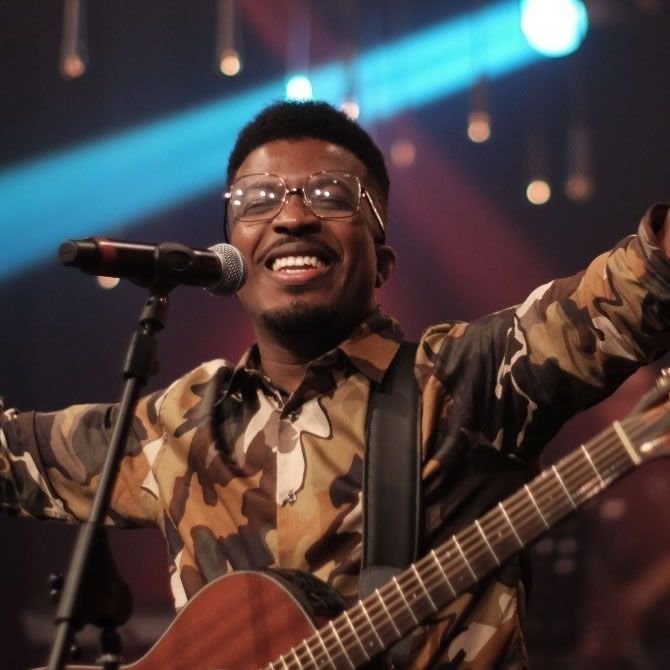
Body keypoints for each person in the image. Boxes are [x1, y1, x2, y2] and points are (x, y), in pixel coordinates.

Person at [1, 100, 670, 669]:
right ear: (231, 253)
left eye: (330, 196)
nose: (292, 217)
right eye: (257, 200)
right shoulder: (179, 422)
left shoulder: (470, 378)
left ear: (382, 262)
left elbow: (640, 283)